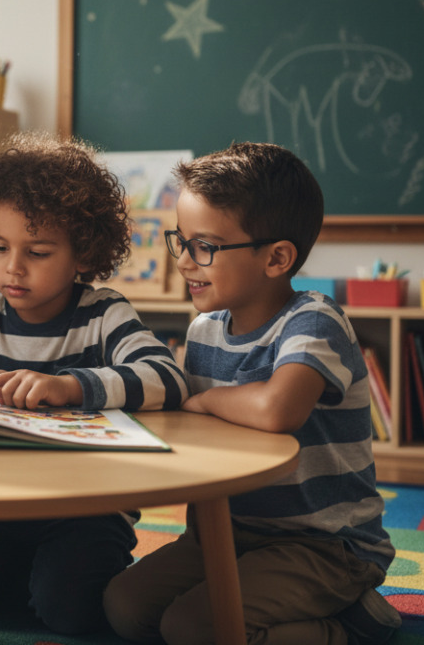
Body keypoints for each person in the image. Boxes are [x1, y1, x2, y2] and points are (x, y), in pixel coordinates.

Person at [0, 130, 187, 634]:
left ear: (84, 255)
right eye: (0, 248)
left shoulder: (102, 313)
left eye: (38, 252)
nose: (13, 267)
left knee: (72, 612)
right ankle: (30, 577)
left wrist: (71, 388)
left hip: (88, 510)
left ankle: (49, 580)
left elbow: (166, 377)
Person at [103, 141, 400, 645]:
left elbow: (277, 408)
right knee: (123, 607)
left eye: (206, 247)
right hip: (224, 533)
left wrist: (202, 400)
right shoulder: (203, 330)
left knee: (192, 627)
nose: (186, 262)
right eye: (182, 241)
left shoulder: (314, 319)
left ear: (277, 258)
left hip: (323, 545)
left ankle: (350, 626)